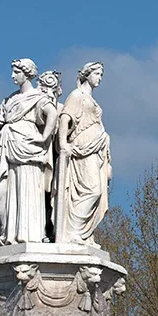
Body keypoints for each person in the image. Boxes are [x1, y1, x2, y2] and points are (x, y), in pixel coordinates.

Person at [0, 58, 57, 244]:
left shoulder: (37, 97)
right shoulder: (12, 98)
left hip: (27, 145)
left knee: (27, 187)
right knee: (3, 190)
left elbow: (52, 113)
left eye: (16, 72)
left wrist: (44, 137)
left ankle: (28, 235)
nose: (12, 76)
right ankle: (8, 233)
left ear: (27, 74)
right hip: (9, 145)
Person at [55, 61, 111, 245]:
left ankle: (83, 233)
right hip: (82, 148)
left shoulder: (92, 99)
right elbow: (65, 118)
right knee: (91, 190)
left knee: (97, 191)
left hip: (95, 149)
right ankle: (72, 231)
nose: (100, 78)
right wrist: (63, 143)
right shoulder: (77, 95)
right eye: (97, 74)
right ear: (87, 74)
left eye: (102, 75)